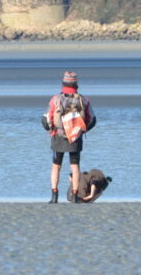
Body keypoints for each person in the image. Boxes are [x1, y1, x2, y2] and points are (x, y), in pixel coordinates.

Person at [42, 70, 96, 203]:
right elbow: (92, 120)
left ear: (63, 83)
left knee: (56, 166)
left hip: (58, 137)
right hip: (75, 137)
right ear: (76, 84)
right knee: (75, 166)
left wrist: (51, 129)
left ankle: (54, 196)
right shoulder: (83, 100)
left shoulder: (56, 99)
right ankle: (75, 195)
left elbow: (46, 120)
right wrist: (81, 131)